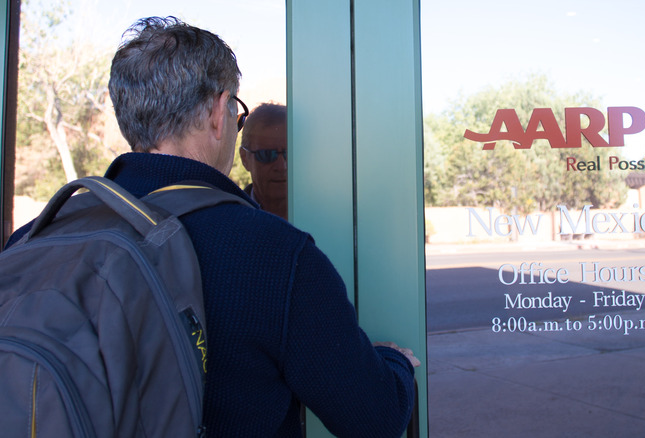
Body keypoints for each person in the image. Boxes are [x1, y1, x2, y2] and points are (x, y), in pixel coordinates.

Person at [7, 16, 418, 438]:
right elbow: (375, 419)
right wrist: (395, 364)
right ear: (221, 114)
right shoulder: (274, 254)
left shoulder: (34, 238)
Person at [239, 103, 288, 220]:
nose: (282, 166)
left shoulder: (327, 215)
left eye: (289, 154)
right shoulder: (227, 222)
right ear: (245, 158)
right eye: (267, 154)